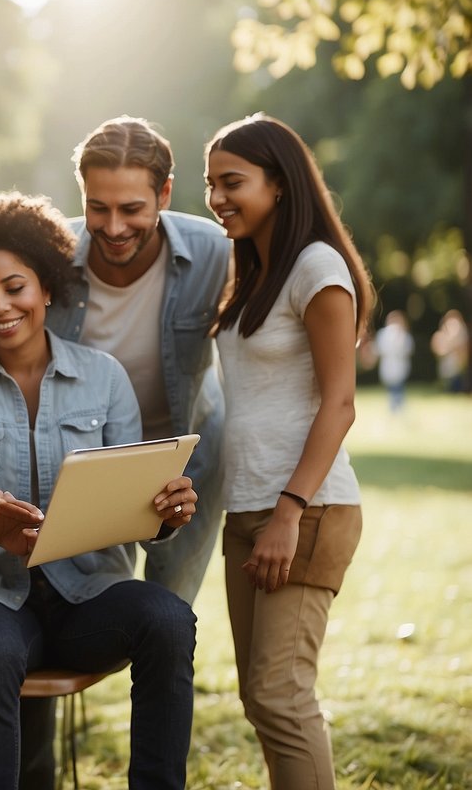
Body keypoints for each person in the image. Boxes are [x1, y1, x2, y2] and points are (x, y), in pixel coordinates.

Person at [0, 191, 199, 790]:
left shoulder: (104, 378)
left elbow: (132, 509)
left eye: (14, 287)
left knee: (169, 620)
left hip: (90, 595)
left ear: (45, 287)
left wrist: (166, 514)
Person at [0, 116, 229, 607]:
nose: (114, 227)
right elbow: (11, 306)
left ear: (166, 193)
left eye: (132, 208)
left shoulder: (215, 254)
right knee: (74, 592)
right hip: (88, 448)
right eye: (99, 208)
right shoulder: (54, 251)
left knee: (168, 610)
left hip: (186, 452)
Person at [204, 114, 373, 790]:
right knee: (260, 699)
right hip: (246, 507)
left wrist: (287, 511)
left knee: (280, 696)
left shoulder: (316, 267)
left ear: (278, 182)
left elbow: (340, 403)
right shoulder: (252, 273)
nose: (217, 198)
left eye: (232, 182)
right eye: (210, 184)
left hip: (303, 509)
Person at [374, 310, 414, 412]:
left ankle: (397, 407)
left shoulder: (404, 335)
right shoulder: (383, 334)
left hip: (399, 367)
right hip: (389, 367)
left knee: (397, 387)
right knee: (394, 388)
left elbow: (408, 350)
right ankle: (396, 407)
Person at [431, 309, 469, 393]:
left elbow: (463, 350)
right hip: (446, 367)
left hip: (457, 366)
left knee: (455, 386)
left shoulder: (462, 334)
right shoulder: (442, 334)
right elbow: (438, 350)